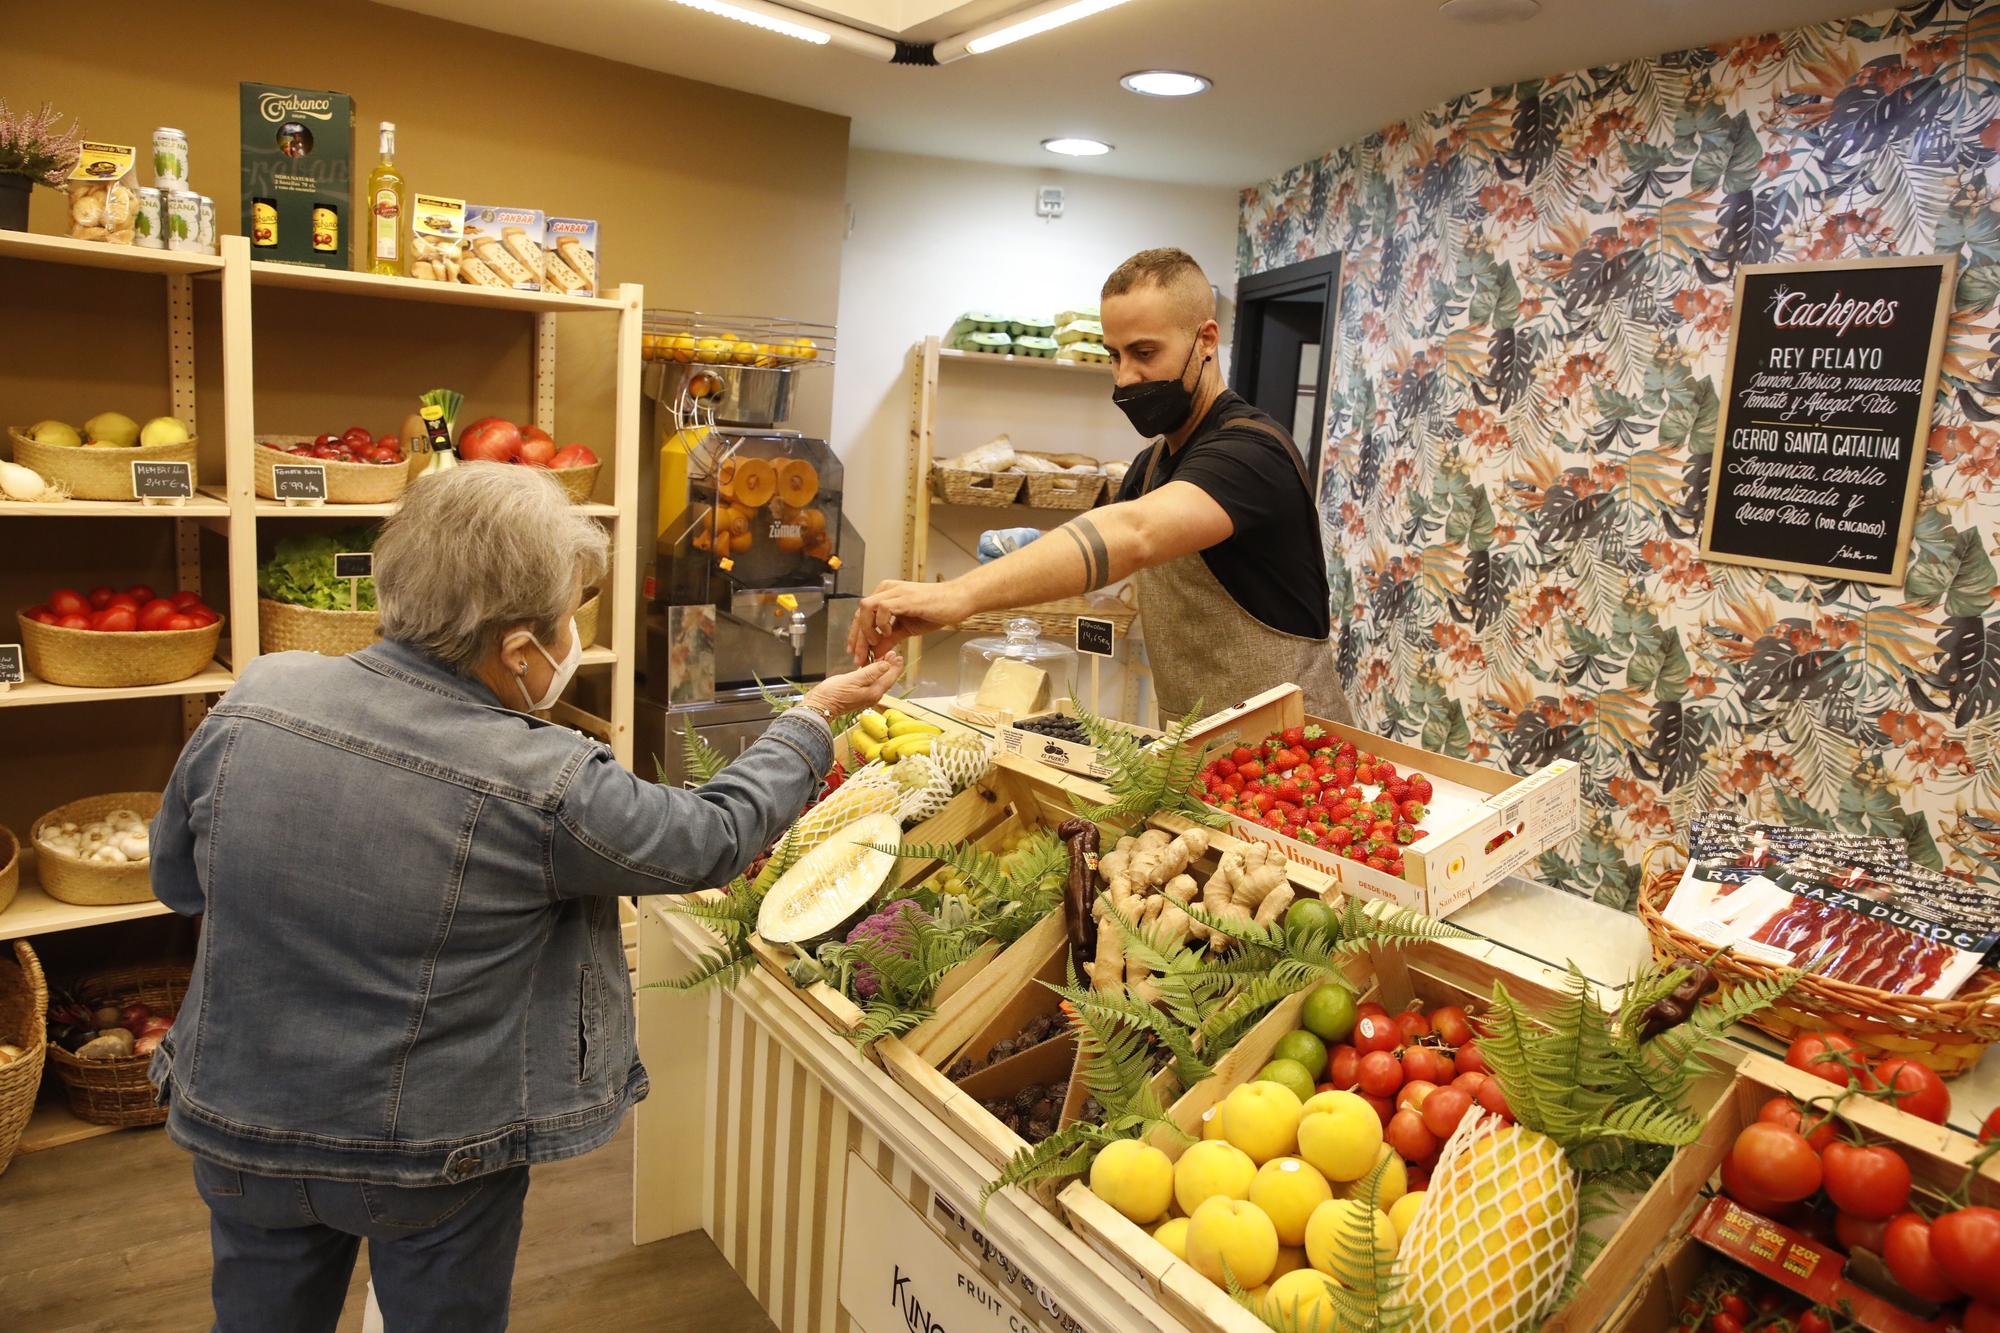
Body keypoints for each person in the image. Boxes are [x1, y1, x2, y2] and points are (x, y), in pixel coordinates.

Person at [146, 463, 901, 1333]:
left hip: (240, 1123)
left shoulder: (255, 698)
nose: (572, 637)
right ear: (517, 648)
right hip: (428, 1154)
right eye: (570, 615)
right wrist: (810, 718)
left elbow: (178, 881)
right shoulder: (542, 779)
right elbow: (712, 836)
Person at [850, 247, 1351, 724]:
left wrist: (958, 596)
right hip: (1197, 742)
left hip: (1296, 756)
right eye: (1114, 355)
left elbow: (1132, 534)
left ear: (1206, 340)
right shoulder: (1152, 464)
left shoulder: (1250, 453)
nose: (1126, 377)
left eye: (1144, 352)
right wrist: (1028, 556)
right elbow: (1099, 550)